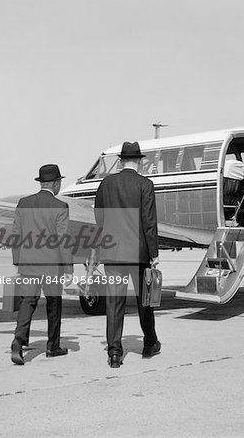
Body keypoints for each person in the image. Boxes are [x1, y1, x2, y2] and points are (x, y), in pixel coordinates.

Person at [95, 141, 160, 368]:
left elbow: (99, 219)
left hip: (112, 252)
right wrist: (153, 253)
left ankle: (114, 353)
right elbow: (149, 222)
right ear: (139, 161)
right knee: (145, 301)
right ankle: (149, 343)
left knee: (114, 303)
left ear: (121, 161)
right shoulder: (145, 184)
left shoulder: (106, 184)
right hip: (139, 253)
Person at [10, 164, 73, 365]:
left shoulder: (23, 203)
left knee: (27, 302)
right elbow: (63, 240)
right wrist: (69, 268)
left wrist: (17, 259)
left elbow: (16, 235)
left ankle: (18, 343)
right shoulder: (60, 207)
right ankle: (52, 346)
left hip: (28, 264)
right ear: (55, 183)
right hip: (52, 266)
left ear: (41, 182)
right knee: (54, 304)